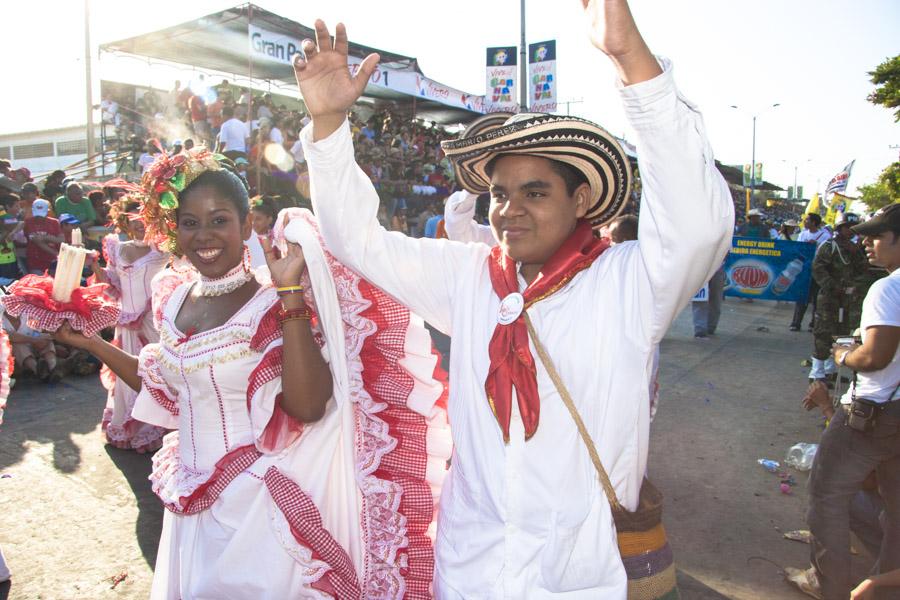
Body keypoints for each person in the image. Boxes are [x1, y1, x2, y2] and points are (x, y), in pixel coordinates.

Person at [293, 3, 733, 595]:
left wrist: (631, 59)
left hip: (582, 574)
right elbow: (357, 241)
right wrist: (327, 126)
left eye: (535, 191)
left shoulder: (628, 283)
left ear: (581, 202)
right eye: (499, 193)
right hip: (472, 564)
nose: (510, 209)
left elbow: (697, 225)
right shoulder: (470, 277)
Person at [54, 147, 450, 598]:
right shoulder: (174, 299)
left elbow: (308, 405)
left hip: (260, 511)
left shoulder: (269, 303)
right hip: (190, 506)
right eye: (190, 222)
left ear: (246, 227)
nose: (204, 235)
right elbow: (161, 387)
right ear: (174, 230)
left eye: (219, 220)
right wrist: (90, 343)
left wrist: (290, 297)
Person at [807, 203, 900, 600]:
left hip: (873, 410)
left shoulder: (888, 288)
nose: (867, 243)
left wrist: (845, 354)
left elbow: (876, 356)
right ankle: (882, 586)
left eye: (877, 235)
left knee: (826, 496)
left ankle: (831, 588)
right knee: (896, 511)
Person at [89, 198, 169, 453]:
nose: (139, 227)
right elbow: (112, 286)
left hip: (153, 321)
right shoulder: (117, 248)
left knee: (158, 371)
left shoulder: (162, 250)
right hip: (126, 323)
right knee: (126, 373)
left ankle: (158, 425)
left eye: (143, 222)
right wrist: (95, 268)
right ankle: (132, 425)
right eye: (133, 222)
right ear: (125, 222)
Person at [808, 212, 869, 381]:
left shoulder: (854, 248)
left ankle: (830, 370)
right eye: (847, 228)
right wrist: (834, 287)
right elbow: (818, 269)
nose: (850, 231)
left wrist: (857, 253)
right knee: (823, 332)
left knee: (841, 333)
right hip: (829, 297)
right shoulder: (829, 246)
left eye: (853, 229)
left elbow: (863, 269)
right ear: (839, 228)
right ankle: (817, 373)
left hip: (847, 298)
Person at [792, 213, 833, 331]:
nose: (805, 222)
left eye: (807, 220)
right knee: (801, 296)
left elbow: (827, 252)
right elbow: (797, 249)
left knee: (816, 298)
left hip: (818, 270)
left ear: (814, 222)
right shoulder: (803, 234)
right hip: (804, 269)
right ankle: (796, 322)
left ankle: (814, 323)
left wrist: (817, 245)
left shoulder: (825, 236)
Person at [23, 199, 61, 275]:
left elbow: (61, 239)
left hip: (52, 260)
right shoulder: (28, 222)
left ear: (47, 211)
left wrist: (45, 237)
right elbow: (37, 241)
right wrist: (56, 253)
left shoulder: (54, 222)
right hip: (35, 261)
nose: (39, 217)